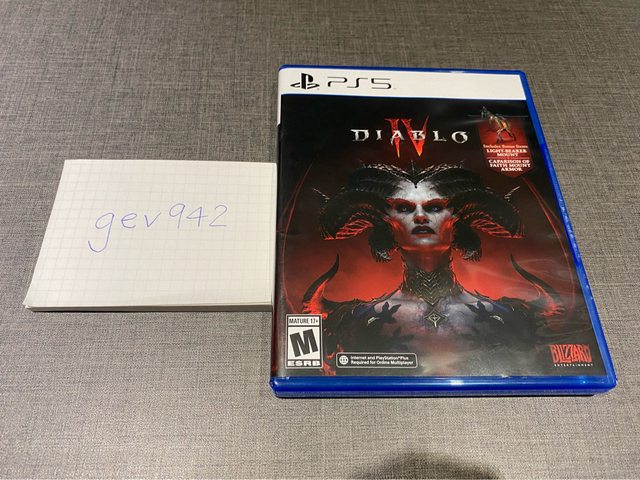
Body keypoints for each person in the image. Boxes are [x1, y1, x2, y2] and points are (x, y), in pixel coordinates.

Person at [303, 163, 562, 375]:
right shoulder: (353, 320)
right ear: (388, 222)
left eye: (434, 207)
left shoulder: (511, 316)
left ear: (456, 218)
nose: (420, 217)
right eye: (404, 208)